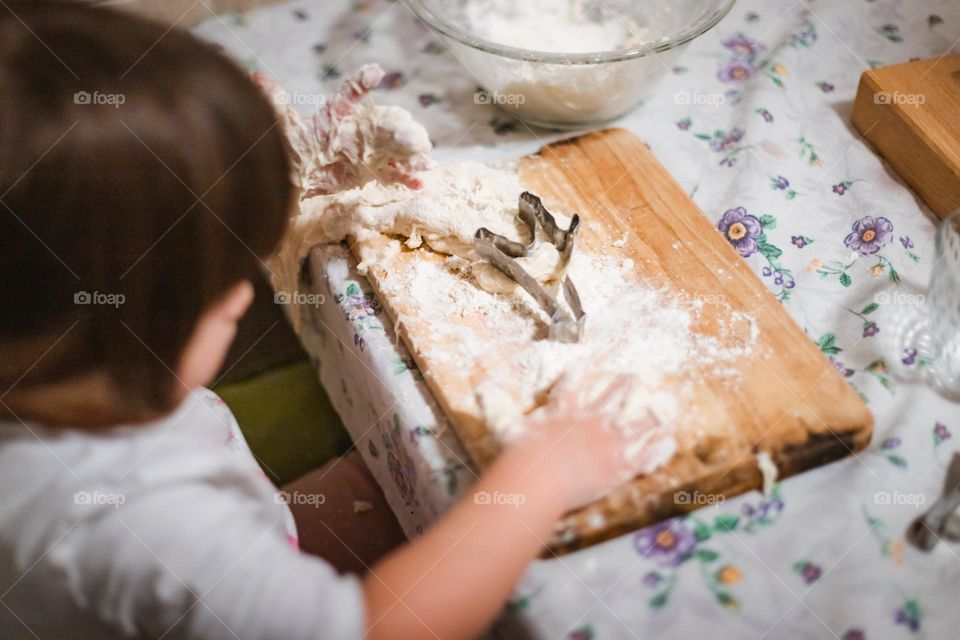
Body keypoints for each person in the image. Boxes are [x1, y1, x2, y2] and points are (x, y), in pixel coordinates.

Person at [0, 3, 663, 639]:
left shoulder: (44, 363)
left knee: (403, 480)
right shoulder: (139, 526)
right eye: (222, 286)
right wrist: (542, 478)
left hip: (247, 537)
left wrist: (261, 185)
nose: (241, 297)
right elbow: (378, 629)